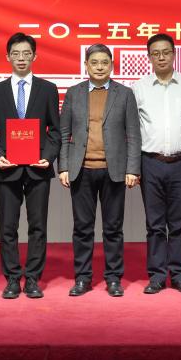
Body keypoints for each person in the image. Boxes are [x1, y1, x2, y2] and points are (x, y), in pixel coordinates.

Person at [59, 43, 141, 297]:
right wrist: (63, 166)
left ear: (112, 65)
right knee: (82, 228)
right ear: (86, 65)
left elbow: (133, 134)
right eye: (94, 62)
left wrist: (133, 169)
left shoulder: (124, 94)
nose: (99, 67)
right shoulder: (73, 93)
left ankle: (113, 279)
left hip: (113, 170)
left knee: (113, 229)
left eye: (104, 62)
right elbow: (64, 133)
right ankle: (82, 278)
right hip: (81, 170)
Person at [0, 33, 60, 299]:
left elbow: (55, 130)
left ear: (35, 56)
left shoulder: (48, 89)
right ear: (8, 57)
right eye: (16, 53)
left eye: (27, 53)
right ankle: (13, 278)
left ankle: (33, 278)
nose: (21, 58)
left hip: (39, 168)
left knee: (38, 227)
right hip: (8, 167)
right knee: (8, 227)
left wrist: (48, 156)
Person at [132, 33, 181, 295]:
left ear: (174, 54)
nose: (161, 57)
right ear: (149, 57)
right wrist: (134, 166)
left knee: (178, 223)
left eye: (166, 52)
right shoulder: (138, 88)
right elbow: (133, 131)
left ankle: (180, 275)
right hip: (150, 162)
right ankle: (157, 276)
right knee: (154, 224)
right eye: (155, 53)